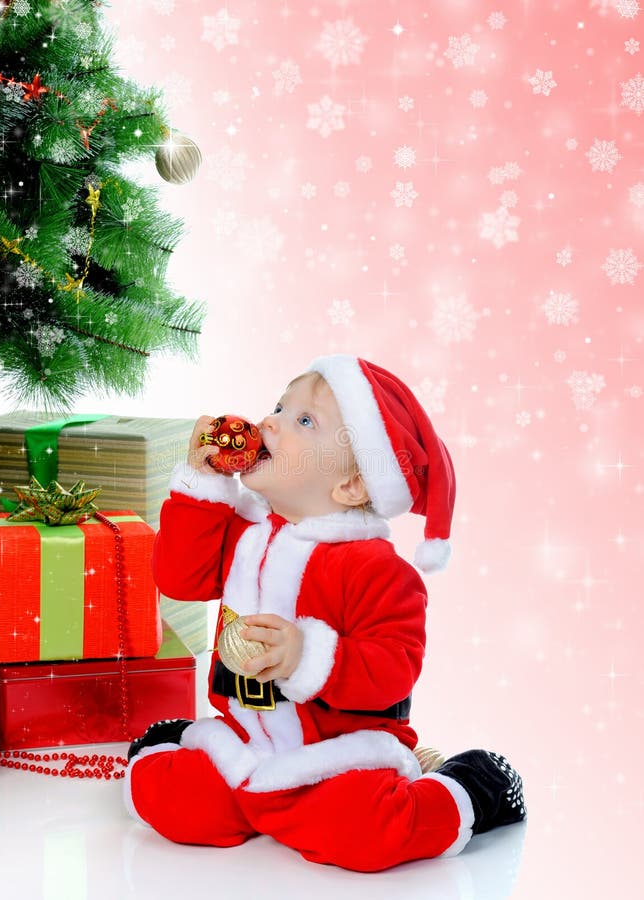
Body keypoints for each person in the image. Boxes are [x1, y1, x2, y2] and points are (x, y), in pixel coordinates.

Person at [124, 354, 526, 872]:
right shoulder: (245, 532)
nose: (269, 423)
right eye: (277, 406)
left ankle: (471, 786)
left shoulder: (375, 567)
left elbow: (394, 670)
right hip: (247, 744)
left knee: (365, 832)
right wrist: (203, 491)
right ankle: (184, 745)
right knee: (167, 802)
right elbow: (179, 579)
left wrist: (304, 655)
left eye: (303, 421)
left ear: (353, 486)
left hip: (334, 756)